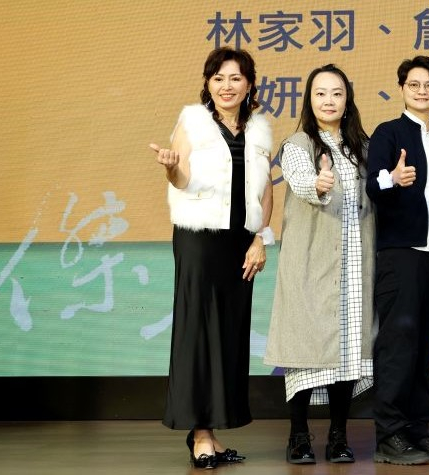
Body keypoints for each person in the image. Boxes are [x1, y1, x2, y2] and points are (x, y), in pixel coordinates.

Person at [152, 47, 272, 469]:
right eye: (218, 78)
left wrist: (261, 239)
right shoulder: (192, 121)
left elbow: (265, 191)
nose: (227, 86)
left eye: (235, 78)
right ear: (208, 83)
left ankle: (212, 430)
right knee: (199, 332)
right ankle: (199, 432)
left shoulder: (260, 128)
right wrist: (170, 168)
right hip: (199, 239)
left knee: (229, 335)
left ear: (249, 84)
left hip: (241, 243)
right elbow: (181, 177)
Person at [262, 64, 375, 465]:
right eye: (320, 93)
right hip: (311, 263)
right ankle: (298, 436)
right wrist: (318, 184)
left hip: (356, 263)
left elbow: (377, 192)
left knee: (348, 352)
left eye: (337, 93)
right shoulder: (297, 145)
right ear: (309, 100)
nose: (329, 101)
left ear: (348, 101)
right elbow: (299, 180)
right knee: (306, 349)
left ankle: (339, 436)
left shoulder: (362, 144)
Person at [365, 55, 429, 466]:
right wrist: (393, 178)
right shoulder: (388, 133)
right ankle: (390, 434)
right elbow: (373, 185)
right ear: (402, 88)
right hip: (401, 254)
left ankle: (419, 431)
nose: (422, 91)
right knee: (398, 344)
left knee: (425, 347)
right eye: (414, 84)